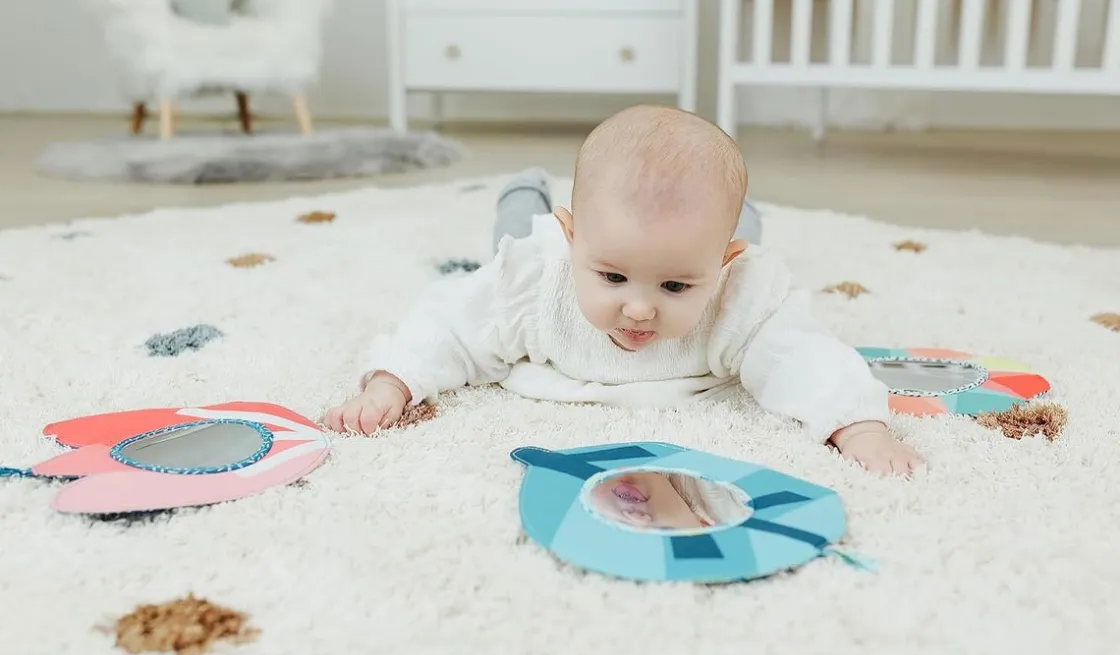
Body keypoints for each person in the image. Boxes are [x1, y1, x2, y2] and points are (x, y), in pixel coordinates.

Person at [323, 105, 923, 475]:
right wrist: (392, 381)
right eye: (612, 278)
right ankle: (523, 191)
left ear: (723, 266)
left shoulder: (741, 292)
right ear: (574, 238)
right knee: (508, 239)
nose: (639, 307)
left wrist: (856, 423)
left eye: (676, 285)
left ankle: (740, 218)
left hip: (693, 242)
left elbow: (803, 353)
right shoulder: (537, 278)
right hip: (550, 243)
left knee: (730, 230)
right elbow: (450, 322)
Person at [586, 470, 752, 533]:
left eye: (617, 526)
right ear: (703, 525)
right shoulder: (731, 508)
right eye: (664, 531)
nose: (639, 519)